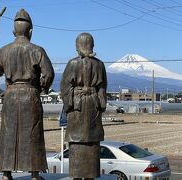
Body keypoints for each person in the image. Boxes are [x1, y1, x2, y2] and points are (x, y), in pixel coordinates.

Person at [0, 9, 54, 180]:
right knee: (33, 134)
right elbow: (49, 74)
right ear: (31, 31)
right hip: (30, 95)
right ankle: (34, 174)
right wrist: (42, 87)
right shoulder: (37, 50)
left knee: (8, 133)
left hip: (11, 95)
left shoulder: (3, 51)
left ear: (14, 31)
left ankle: (6, 173)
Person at [60, 33, 107, 180]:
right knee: (92, 140)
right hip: (93, 104)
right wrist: (101, 103)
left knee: (76, 140)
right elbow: (103, 88)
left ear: (77, 46)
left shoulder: (72, 64)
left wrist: (69, 101)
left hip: (77, 106)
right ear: (92, 45)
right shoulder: (99, 64)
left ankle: (76, 175)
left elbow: (64, 87)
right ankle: (90, 175)